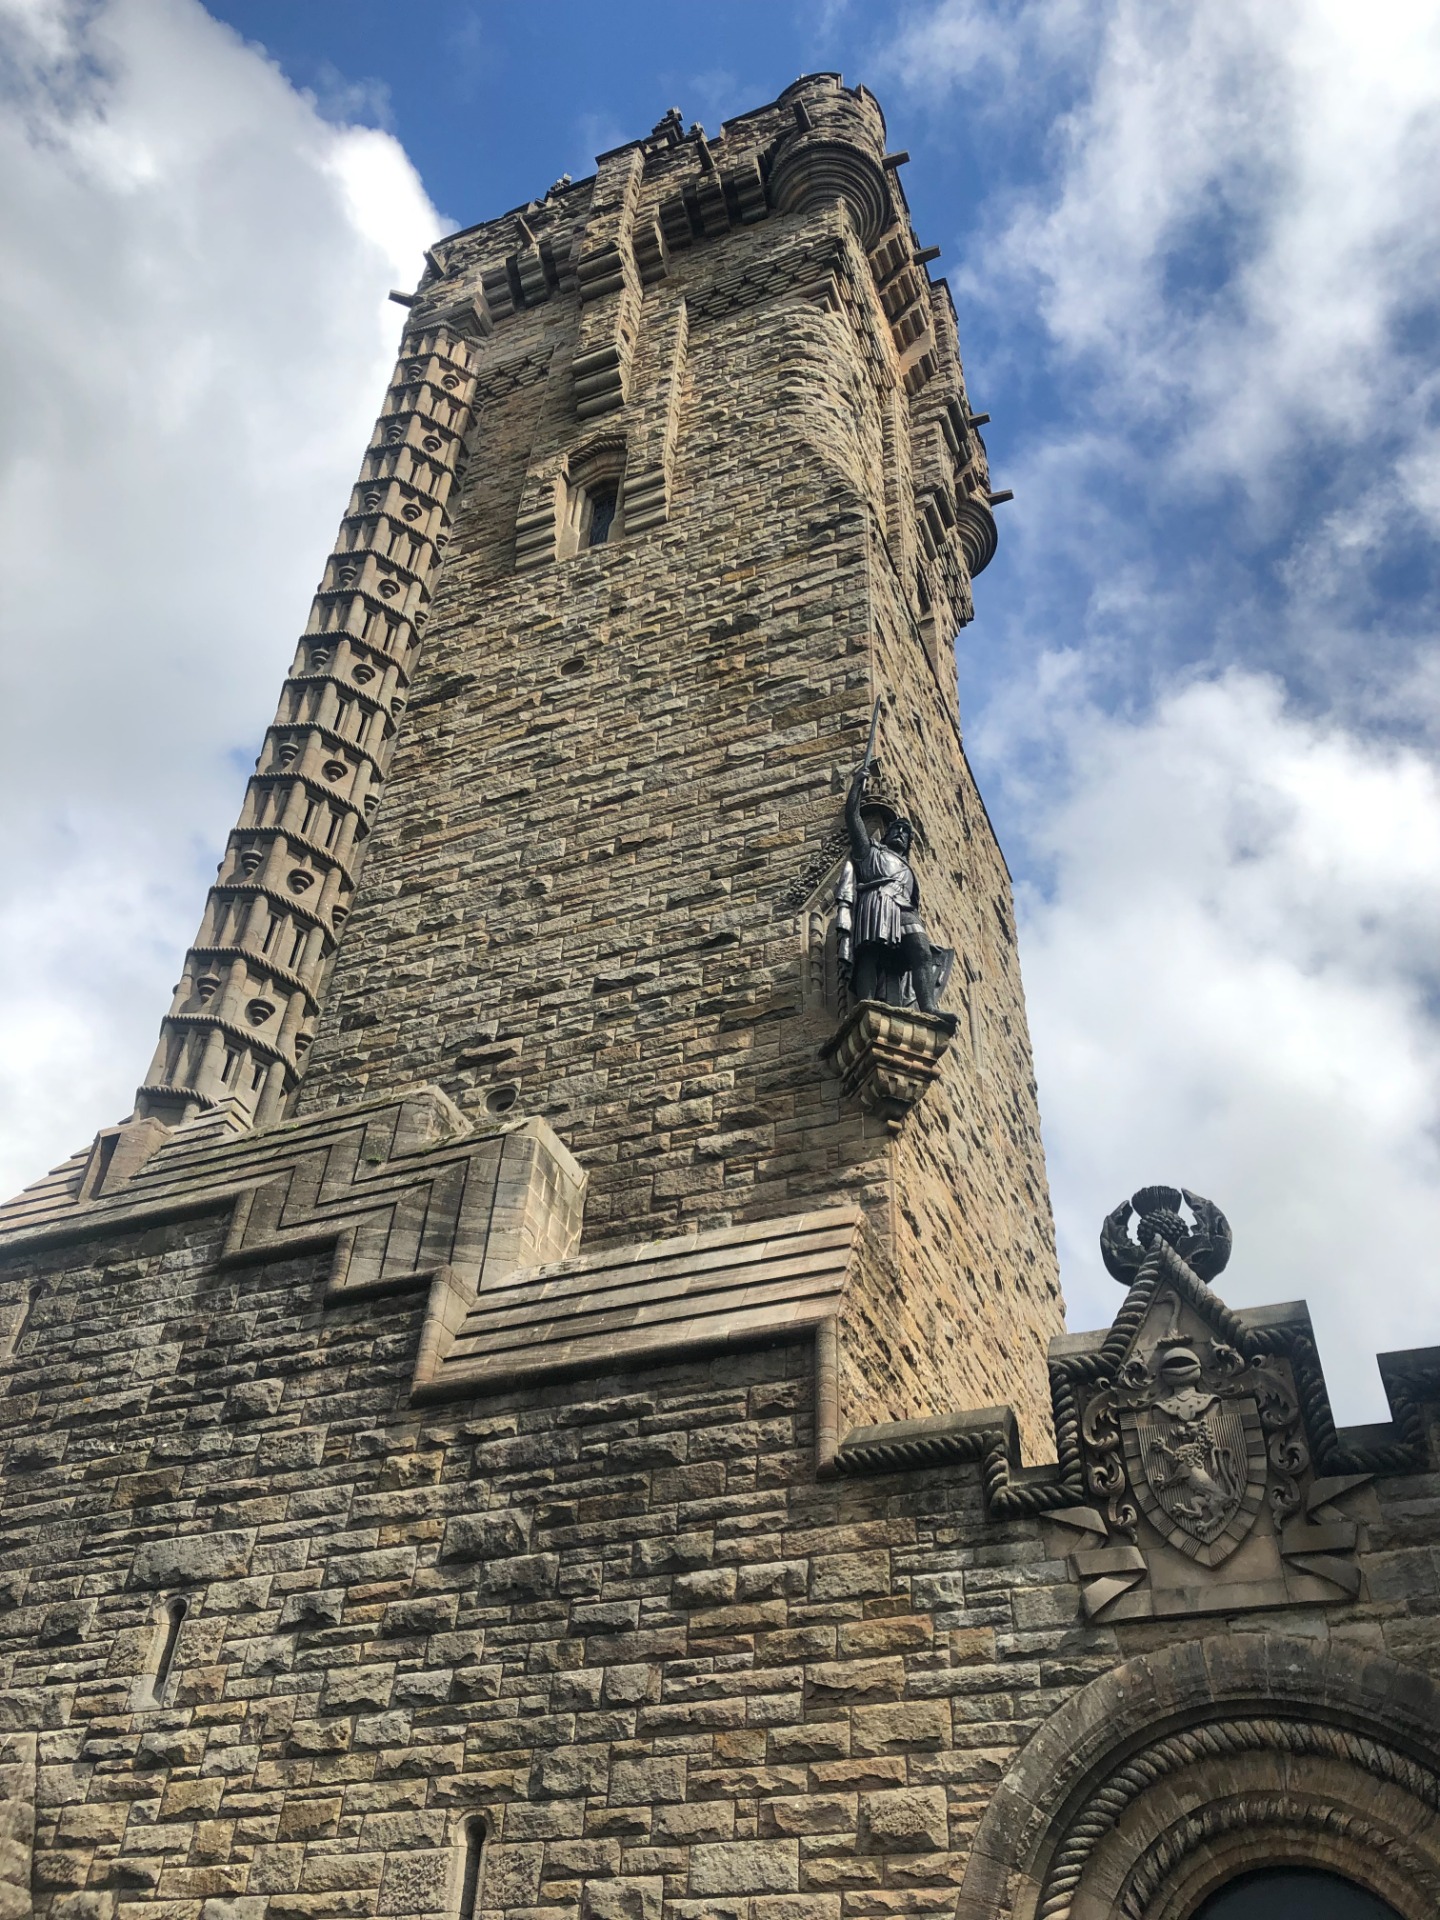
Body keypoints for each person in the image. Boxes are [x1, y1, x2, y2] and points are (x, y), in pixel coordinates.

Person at [836, 762, 952, 1014]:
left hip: (904, 907)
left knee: (921, 951)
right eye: (896, 829)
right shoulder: (871, 852)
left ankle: (928, 1007)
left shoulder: (908, 869)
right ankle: (865, 1004)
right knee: (870, 951)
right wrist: (856, 786)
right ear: (886, 835)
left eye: (905, 833)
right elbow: (853, 820)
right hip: (876, 900)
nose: (900, 834)